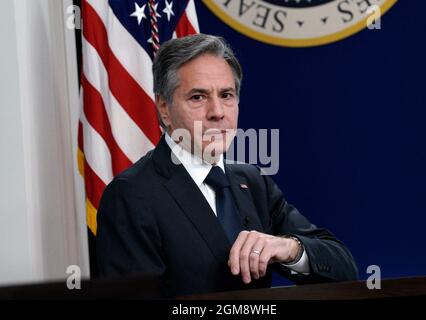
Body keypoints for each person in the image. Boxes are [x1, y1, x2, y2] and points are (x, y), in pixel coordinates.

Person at [96, 34, 358, 297]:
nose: (217, 111)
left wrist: (289, 248)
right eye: (198, 97)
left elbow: (344, 269)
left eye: (226, 95)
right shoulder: (131, 196)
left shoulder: (252, 181)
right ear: (164, 107)